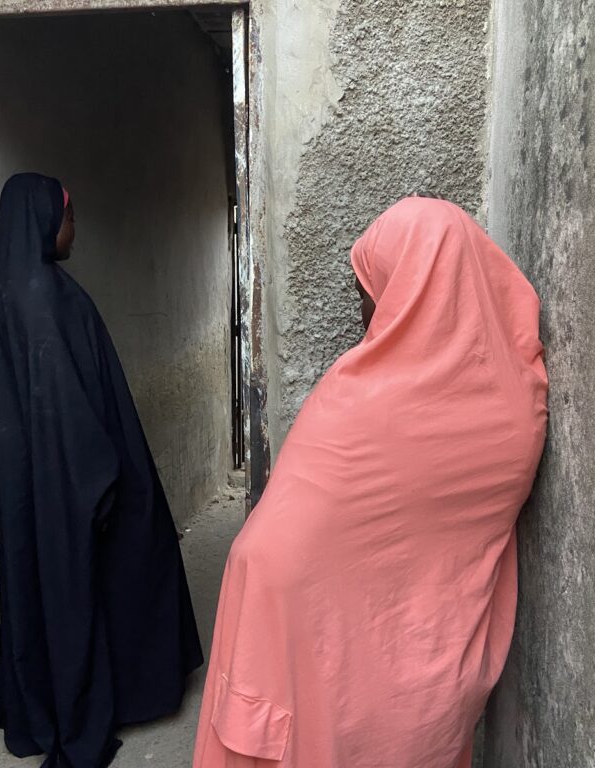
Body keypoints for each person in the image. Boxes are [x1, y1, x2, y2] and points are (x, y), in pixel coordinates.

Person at [193, 196, 548, 767]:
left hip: (314, 661)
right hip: (434, 681)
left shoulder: (360, 397)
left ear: (410, 292)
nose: (364, 316)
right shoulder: (519, 403)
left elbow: (275, 541)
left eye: (370, 294)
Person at [0, 173, 203, 768]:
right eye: (70, 215)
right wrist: (104, 484)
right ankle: (124, 696)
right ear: (42, 220)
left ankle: (48, 703)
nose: (74, 228)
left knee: (56, 588)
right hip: (83, 477)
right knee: (135, 564)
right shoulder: (42, 298)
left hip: (44, 486)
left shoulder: (13, 288)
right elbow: (66, 409)